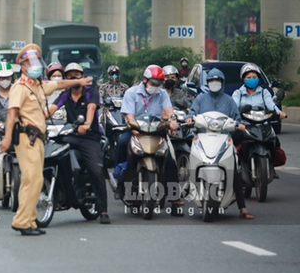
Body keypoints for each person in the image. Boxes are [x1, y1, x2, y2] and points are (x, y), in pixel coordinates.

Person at [0, 45, 92, 236]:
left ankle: (30, 220)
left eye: (36, 62)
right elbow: (12, 114)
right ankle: (22, 221)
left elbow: (58, 85)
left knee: (33, 180)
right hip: (26, 137)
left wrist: (79, 81)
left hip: (39, 138)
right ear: (22, 66)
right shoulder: (20, 87)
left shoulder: (37, 85)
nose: (35, 66)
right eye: (30, 63)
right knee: (32, 178)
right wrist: (7, 138)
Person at [47, 63, 110, 224]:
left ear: (82, 77)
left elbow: (91, 109)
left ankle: (103, 210)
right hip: (71, 134)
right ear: (66, 79)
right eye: (70, 75)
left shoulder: (91, 93)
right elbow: (51, 110)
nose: (74, 77)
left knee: (96, 171)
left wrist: (87, 124)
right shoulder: (65, 94)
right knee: (53, 153)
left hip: (90, 136)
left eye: (77, 75)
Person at [188, 67, 254, 219]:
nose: (215, 83)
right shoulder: (200, 99)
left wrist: (240, 124)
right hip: (203, 137)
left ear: (222, 82)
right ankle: (186, 189)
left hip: (224, 138)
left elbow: (237, 117)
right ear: (207, 82)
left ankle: (242, 208)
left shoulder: (229, 100)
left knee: (235, 166)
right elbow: (192, 112)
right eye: (212, 80)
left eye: (218, 80)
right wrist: (190, 118)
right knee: (191, 157)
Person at [115, 65, 179, 208]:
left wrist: (173, 120)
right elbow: (129, 115)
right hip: (136, 131)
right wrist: (132, 126)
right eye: (153, 83)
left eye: (158, 83)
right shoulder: (131, 93)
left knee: (169, 161)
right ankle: (120, 182)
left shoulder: (162, 94)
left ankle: (175, 197)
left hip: (156, 132)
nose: (156, 86)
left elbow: (168, 109)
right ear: (145, 80)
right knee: (121, 143)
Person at [231, 63, 287, 178]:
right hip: (244, 125)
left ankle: (270, 165)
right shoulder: (238, 93)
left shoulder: (263, 92)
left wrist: (278, 112)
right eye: (249, 77)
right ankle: (236, 166)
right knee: (233, 141)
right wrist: (235, 115)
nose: (252, 79)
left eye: (254, 77)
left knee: (275, 140)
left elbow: (271, 104)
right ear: (243, 79)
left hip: (262, 124)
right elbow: (234, 106)